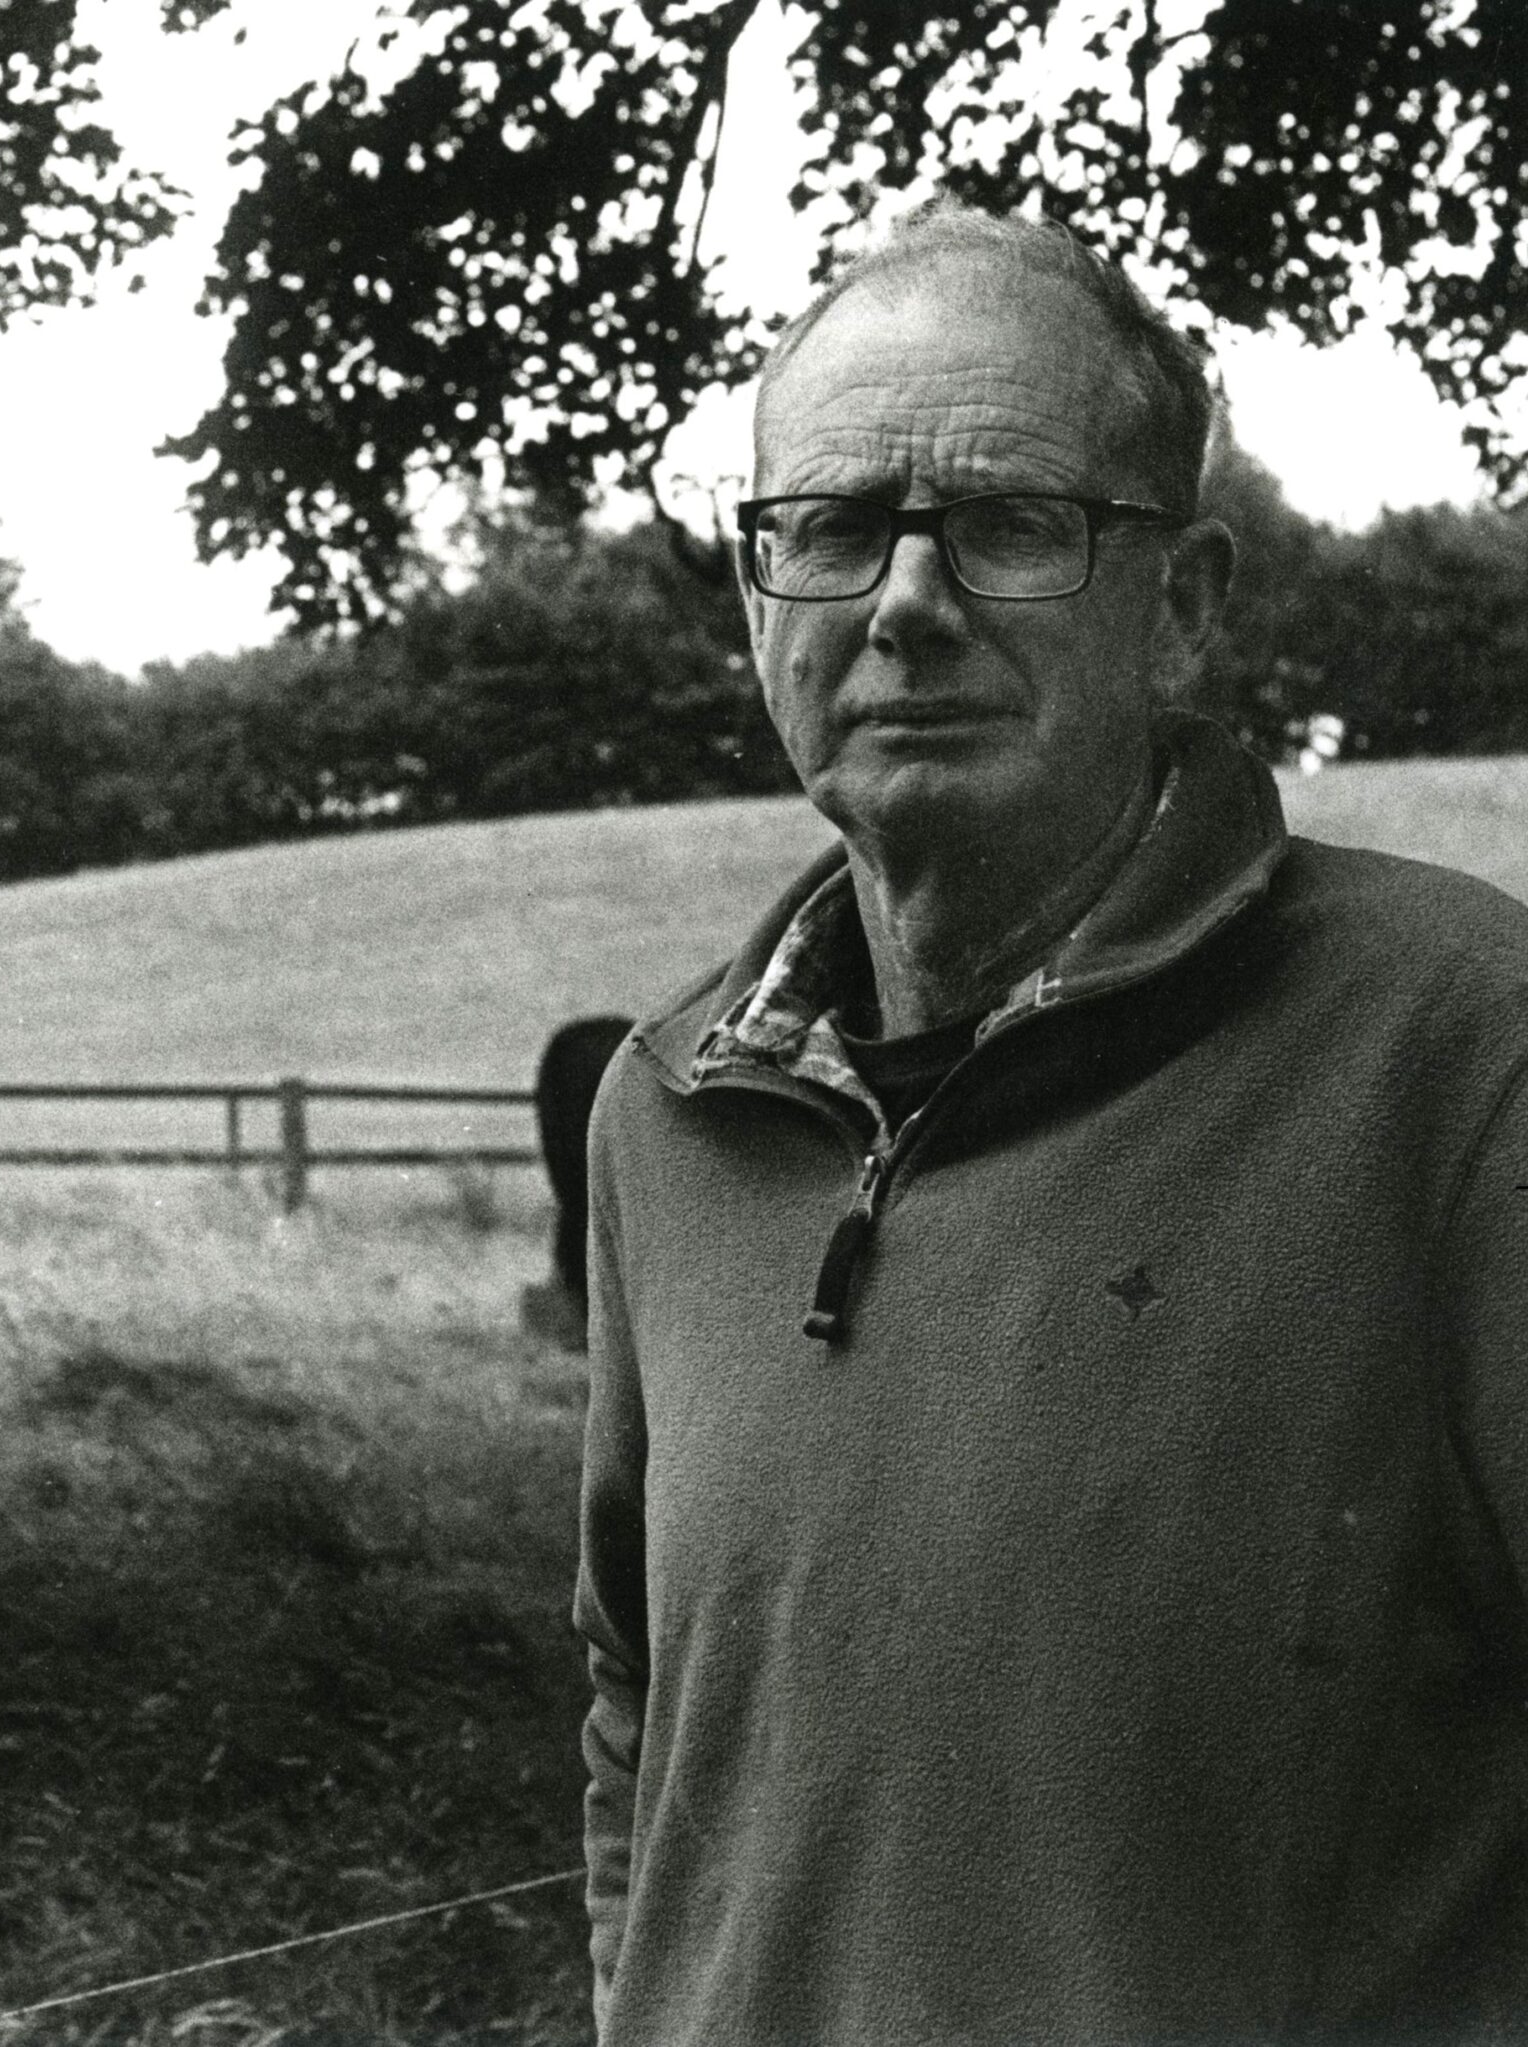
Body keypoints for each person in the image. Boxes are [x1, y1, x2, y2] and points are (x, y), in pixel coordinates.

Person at [576, 200, 1528, 2045]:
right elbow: (638, 1711)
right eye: (834, 529)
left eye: (1011, 526)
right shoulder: (669, 1112)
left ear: (1179, 610)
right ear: (763, 602)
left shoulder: (1464, 1054)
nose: (906, 600)